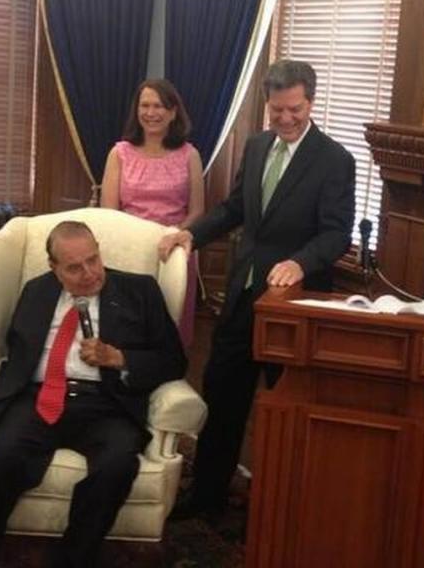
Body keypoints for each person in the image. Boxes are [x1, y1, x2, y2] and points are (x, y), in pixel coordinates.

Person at [158, 58, 355, 520]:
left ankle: (282, 506)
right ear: (267, 106)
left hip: (292, 306)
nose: (285, 120)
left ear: (310, 102)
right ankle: (206, 496)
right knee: (223, 396)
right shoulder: (257, 144)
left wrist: (299, 262)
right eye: (277, 111)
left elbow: (336, 233)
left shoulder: (335, 160)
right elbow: (233, 209)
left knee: (285, 409)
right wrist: (193, 235)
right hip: (244, 296)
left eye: (294, 110)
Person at [0, 221, 187, 568]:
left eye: (93, 260)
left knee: (116, 467)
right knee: (1, 460)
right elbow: (16, 353)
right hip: (40, 398)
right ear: (54, 268)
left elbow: (174, 360)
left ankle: (70, 559)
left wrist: (119, 358)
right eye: (74, 267)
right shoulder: (36, 291)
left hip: (106, 404)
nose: (89, 273)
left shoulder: (140, 291)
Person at [101, 78, 204, 346]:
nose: (150, 113)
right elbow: (109, 211)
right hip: (128, 250)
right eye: (144, 105)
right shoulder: (119, 153)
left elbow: (197, 211)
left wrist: (175, 236)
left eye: (158, 106)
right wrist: (136, 240)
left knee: (170, 328)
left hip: (174, 251)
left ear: (172, 112)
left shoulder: (189, 155)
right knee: (129, 327)